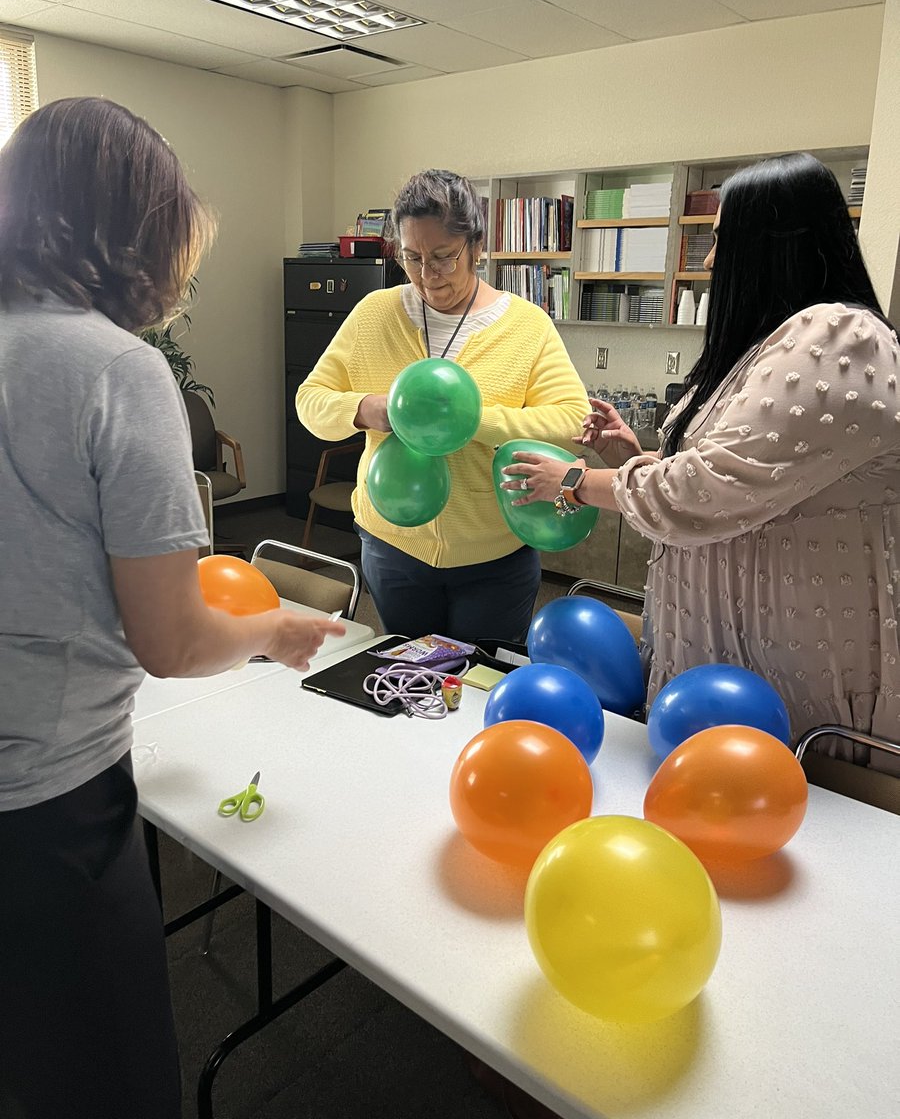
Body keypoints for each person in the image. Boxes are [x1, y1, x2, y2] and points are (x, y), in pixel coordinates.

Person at [0, 98, 343, 1119]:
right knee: (106, 1082)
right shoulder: (112, 368)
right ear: (131, 230)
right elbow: (174, 638)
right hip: (44, 806)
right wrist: (277, 628)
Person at [503, 153, 900, 764]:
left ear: (774, 244)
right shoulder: (771, 343)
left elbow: (705, 489)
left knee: (787, 819)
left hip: (794, 664)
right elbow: (743, 472)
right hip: (717, 657)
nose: (711, 262)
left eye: (721, 242)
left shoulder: (841, 338)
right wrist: (640, 454)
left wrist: (579, 481)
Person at [296, 168, 588, 643]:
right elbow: (310, 400)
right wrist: (367, 408)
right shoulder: (374, 313)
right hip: (392, 544)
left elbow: (570, 419)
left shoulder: (526, 326)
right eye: (411, 258)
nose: (427, 275)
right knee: (407, 680)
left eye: (443, 257)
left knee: (478, 687)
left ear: (475, 246)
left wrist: (469, 422)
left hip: (494, 553)